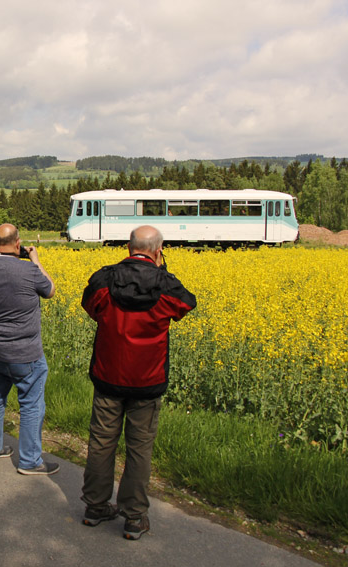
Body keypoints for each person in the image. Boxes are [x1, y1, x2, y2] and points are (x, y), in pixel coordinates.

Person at [80, 225, 196, 540]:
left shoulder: (105, 280)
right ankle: (134, 517)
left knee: (102, 443)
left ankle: (95, 507)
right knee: (139, 448)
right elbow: (186, 305)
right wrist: (163, 271)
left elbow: (91, 307)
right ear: (158, 251)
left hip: (108, 377)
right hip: (147, 382)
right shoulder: (166, 287)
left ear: (129, 247)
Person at [0, 223, 57, 475]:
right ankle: (29, 461)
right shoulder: (28, 270)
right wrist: (35, 260)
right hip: (24, 352)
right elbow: (50, 290)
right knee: (30, 404)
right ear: (18, 244)